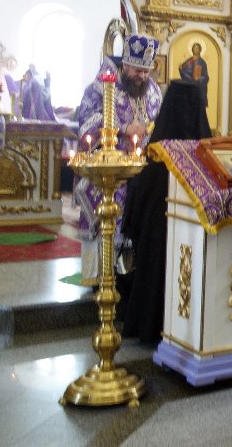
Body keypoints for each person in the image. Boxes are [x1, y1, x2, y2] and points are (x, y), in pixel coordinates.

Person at [120, 79, 211, 343]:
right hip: (192, 240)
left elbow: (137, 202)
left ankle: (149, 326)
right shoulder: (206, 155)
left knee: (154, 274)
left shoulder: (158, 151)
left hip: (155, 238)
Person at [74, 33, 163, 284]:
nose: (142, 76)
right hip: (107, 173)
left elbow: (157, 119)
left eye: (146, 71)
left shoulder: (153, 90)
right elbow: (86, 122)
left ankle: (127, 281)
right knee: (106, 224)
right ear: (125, 64)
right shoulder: (101, 86)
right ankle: (98, 278)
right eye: (137, 70)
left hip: (140, 171)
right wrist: (123, 129)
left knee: (134, 228)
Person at [178, 42, 210, 107]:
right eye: (194, 48)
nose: (195, 49)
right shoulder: (189, 61)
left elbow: (206, 77)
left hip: (198, 88)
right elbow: (183, 72)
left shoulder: (202, 62)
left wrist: (199, 78)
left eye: (197, 48)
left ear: (200, 50)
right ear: (192, 49)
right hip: (189, 87)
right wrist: (181, 69)